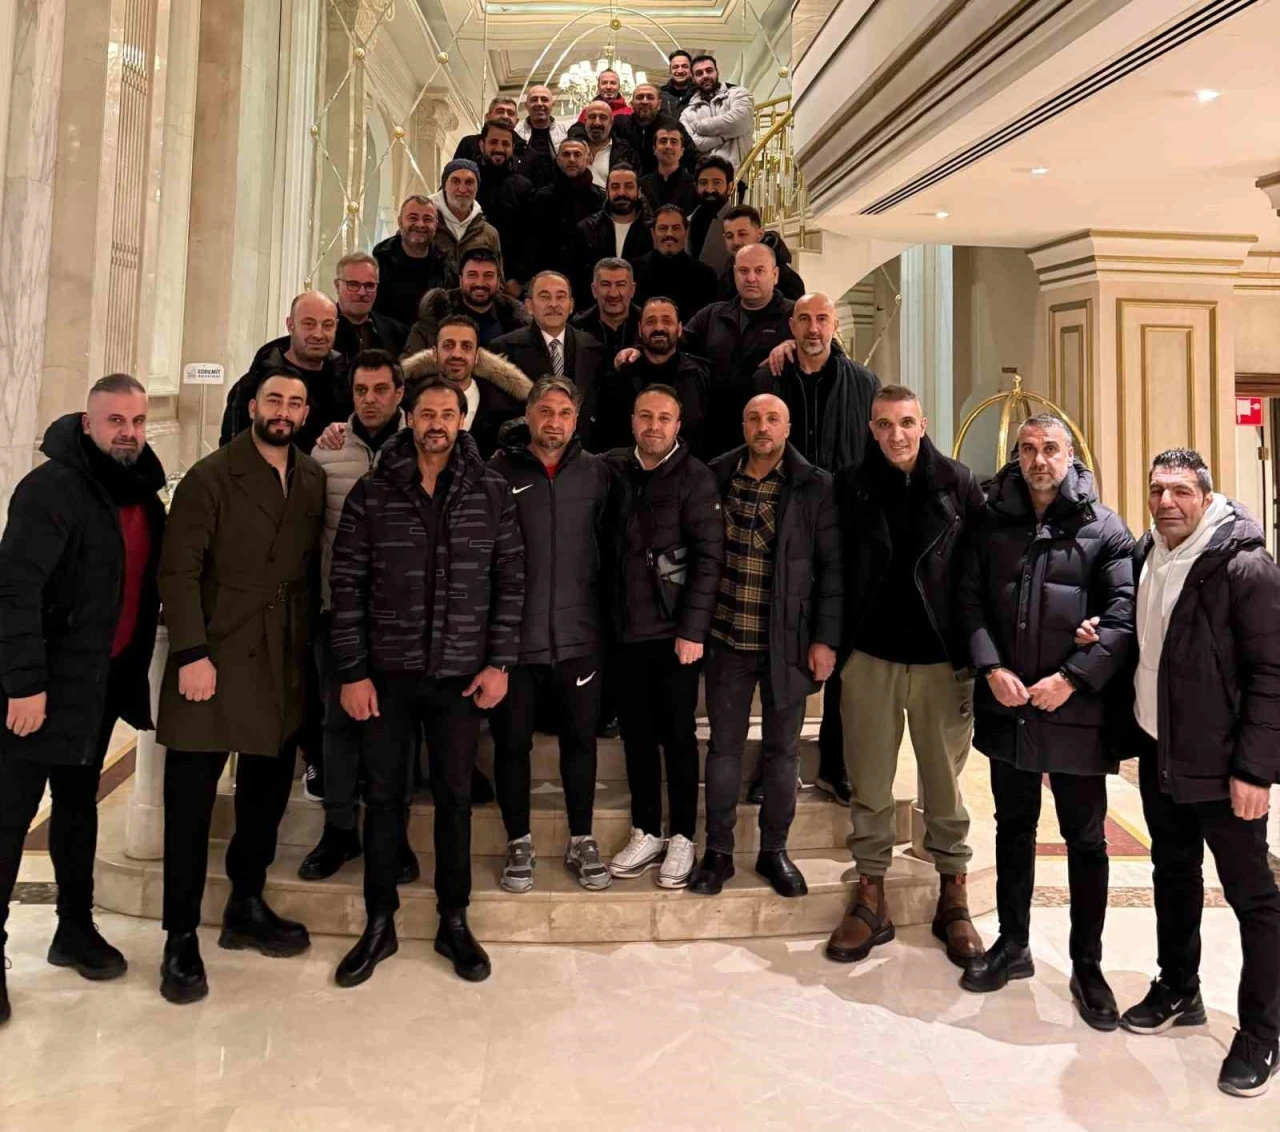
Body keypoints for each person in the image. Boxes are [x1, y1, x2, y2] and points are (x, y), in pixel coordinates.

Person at [1093, 449, 1280, 1097]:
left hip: (1224, 765)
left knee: (1254, 898)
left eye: (1179, 491)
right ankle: (1179, 987)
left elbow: (1271, 674)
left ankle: (1263, 1032)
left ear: (1206, 495)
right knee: (1173, 874)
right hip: (1161, 750)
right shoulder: (1151, 552)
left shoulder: (1245, 566)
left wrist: (1255, 769)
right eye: (1157, 490)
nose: (1166, 502)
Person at [328, 377, 523, 986]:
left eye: (448, 413)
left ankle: (453, 920)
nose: (437, 423)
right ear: (409, 418)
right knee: (384, 798)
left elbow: (510, 581)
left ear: (462, 420)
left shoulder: (490, 491)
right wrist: (353, 671)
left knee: (455, 799)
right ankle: (379, 921)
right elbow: (346, 584)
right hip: (386, 675)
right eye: (426, 413)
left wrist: (499, 663)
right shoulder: (373, 490)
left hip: (460, 676)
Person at [956, 414, 1135, 1030]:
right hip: (1008, 706)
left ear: (1070, 455)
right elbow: (969, 602)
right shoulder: (989, 521)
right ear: (1017, 455)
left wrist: (1073, 678)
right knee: (1012, 828)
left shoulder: (1104, 527)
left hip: (1075, 710)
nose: (1039, 460)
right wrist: (990, 667)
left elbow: (1123, 615)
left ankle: (1088, 966)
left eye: (1050, 448)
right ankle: (1013, 945)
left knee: (1086, 839)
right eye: (1028, 449)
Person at [156, 371, 326, 1006]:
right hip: (217, 653)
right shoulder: (211, 477)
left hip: (280, 657)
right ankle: (179, 937)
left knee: (265, 796)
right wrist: (191, 653)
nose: (283, 411)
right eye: (274, 400)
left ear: (305, 414)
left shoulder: (310, 477)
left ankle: (245, 905)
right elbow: (178, 570)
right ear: (253, 406)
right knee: (190, 805)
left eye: (295, 403)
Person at [0, 375, 165, 1026]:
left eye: (137, 420)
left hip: (98, 686)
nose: (128, 432)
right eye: (115, 420)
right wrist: (24, 684)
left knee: (76, 809)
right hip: (39, 689)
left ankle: (74, 929)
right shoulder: (50, 489)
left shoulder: (142, 492)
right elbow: (14, 592)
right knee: (10, 819)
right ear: (89, 423)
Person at [823, 385, 985, 967]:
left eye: (907, 423)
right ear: (872, 428)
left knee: (943, 784)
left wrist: (980, 649)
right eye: (885, 424)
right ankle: (870, 893)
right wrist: (833, 643)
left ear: (923, 424)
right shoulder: (849, 485)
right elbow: (832, 569)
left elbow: (978, 570)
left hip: (941, 659)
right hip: (870, 657)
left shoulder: (958, 484)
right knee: (869, 782)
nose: (897, 434)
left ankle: (953, 894)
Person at [689, 394, 841, 899]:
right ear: (742, 425)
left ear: (787, 427)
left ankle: (774, 851)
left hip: (788, 644)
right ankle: (718, 853)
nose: (763, 426)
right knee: (723, 750)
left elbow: (831, 571)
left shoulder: (814, 485)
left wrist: (825, 639)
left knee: (782, 753)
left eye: (773, 418)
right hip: (726, 637)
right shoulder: (716, 475)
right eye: (754, 418)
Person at [488, 378, 613, 892]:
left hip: (579, 639)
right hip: (515, 641)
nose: (554, 421)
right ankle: (518, 840)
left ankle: (582, 838)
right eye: (545, 411)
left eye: (564, 412)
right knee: (511, 744)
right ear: (529, 413)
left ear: (576, 418)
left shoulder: (597, 473)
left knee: (580, 743)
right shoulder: (498, 472)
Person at [296, 350, 415, 883]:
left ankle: (395, 836)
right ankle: (339, 830)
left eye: (381, 389)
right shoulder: (327, 452)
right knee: (338, 725)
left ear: (399, 393)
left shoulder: (425, 444)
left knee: (398, 732)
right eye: (362, 390)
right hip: (337, 613)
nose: (370, 400)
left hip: (404, 618)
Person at [755, 291, 878, 801]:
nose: (813, 328)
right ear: (791, 324)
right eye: (804, 318)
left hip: (843, 529)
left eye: (822, 318)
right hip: (779, 528)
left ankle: (834, 763)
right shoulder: (769, 377)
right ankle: (773, 768)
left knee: (841, 652)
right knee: (781, 651)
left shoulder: (864, 384)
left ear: (834, 326)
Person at [603, 385, 724, 889]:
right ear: (633, 421)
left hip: (675, 635)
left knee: (677, 737)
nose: (654, 426)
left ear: (678, 425)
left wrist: (693, 629)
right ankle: (647, 830)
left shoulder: (696, 478)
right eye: (646, 416)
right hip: (623, 632)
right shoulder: (612, 469)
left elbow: (709, 560)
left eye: (664, 418)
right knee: (635, 737)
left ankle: (683, 837)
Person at [682, 243, 793, 460]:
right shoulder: (712, 315)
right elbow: (672, 344)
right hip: (716, 438)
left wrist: (795, 344)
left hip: (769, 438)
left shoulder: (795, 314)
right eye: (743, 271)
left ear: (775, 275)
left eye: (759, 271)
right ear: (734, 274)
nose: (750, 278)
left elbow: (830, 350)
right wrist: (638, 350)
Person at [219, 291, 350, 453]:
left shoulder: (347, 380)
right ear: (290, 325)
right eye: (309, 324)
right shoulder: (255, 384)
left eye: (327, 325)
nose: (318, 334)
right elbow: (232, 452)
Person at [490, 271, 605, 449]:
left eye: (561, 297)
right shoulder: (503, 348)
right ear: (529, 306)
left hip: (582, 453)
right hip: (526, 453)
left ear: (571, 305)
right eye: (545, 297)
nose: (553, 304)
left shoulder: (593, 346)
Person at [403, 314, 532, 460]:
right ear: (434, 354)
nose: (457, 354)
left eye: (466, 347)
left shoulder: (504, 410)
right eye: (448, 346)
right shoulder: (408, 401)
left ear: (476, 356)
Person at [601, 296, 710, 456]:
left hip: (686, 467)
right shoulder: (619, 376)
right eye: (651, 322)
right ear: (640, 329)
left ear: (680, 329)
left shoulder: (701, 375)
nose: (659, 327)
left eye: (667, 321)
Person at [403, 247, 529, 355]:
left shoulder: (517, 323)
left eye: (488, 276)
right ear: (460, 280)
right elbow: (410, 367)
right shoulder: (432, 320)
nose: (480, 283)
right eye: (472, 275)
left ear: (498, 281)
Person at [530, 138, 605, 294]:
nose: (571, 159)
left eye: (577, 154)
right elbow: (531, 241)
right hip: (549, 278)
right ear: (558, 160)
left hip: (589, 282)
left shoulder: (600, 199)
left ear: (588, 158)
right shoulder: (541, 198)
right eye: (566, 154)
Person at [371, 196, 457, 328]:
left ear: (436, 225)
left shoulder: (445, 265)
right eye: (413, 218)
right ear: (400, 222)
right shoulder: (379, 263)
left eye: (427, 219)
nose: (420, 224)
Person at [572, 164, 653, 301]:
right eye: (615, 187)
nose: (621, 193)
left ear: (639, 191)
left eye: (628, 187)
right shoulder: (586, 229)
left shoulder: (653, 230)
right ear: (607, 192)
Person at [475, 121, 536, 296]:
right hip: (470, 276)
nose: (499, 149)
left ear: (512, 148)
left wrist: (518, 279)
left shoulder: (523, 187)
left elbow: (531, 237)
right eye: (493, 142)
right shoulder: (468, 182)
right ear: (482, 145)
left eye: (505, 144)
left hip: (510, 282)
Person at [631, 205, 719, 322]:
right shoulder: (633, 272)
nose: (669, 234)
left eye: (676, 228)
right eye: (663, 228)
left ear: (686, 232)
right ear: (653, 233)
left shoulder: (705, 275)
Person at [680, 54, 755, 169]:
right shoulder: (687, 113)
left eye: (709, 70)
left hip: (738, 173)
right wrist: (722, 137)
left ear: (717, 71)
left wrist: (701, 127)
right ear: (693, 79)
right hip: (705, 175)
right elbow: (692, 144)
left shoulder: (738, 94)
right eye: (699, 73)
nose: (705, 76)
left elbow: (740, 123)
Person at [430, 158, 503, 276]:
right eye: (455, 181)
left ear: (477, 188)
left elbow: (497, 279)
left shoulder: (488, 234)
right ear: (444, 185)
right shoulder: (425, 224)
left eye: (469, 182)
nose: (462, 189)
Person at [717, 206, 806, 301]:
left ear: (760, 234)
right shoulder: (726, 274)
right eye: (729, 236)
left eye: (742, 234)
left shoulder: (786, 279)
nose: (735, 242)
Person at [332, 252, 408, 362]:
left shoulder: (399, 334)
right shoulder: (322, 332)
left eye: (370, 285)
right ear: (337, 286)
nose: (362, 292)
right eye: (353, 284)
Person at [570, 257, 641, 362]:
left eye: (620, 285)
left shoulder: (648, 323)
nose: (613, 294)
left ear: (632, 290)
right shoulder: (576, 328)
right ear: (594, 290)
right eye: (605, 285)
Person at [618, 86, 695, 177]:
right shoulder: (621, 125)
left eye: (650, 97)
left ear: (659, 105)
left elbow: (692, 156)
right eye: (640, 97)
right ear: (631, 104)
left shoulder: (673, 126)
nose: (645, 101)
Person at [575, 100, 641, 189]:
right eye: (592, 117)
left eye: (603, 117)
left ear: (611, 122)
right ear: (585, 120)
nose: (597, 122)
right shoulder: (572, 150)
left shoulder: (626, 153)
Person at [638, 119, 699, 214]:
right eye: (663, 141)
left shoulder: (694, 187)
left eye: (674, 142)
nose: (668, 146)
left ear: (682, 151)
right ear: (654, 149)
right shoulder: (641, 186)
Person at [688, 155, 735, 274]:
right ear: (696, 186)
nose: (709, 189)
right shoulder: (686, 222)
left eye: (716, 182)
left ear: (730, 187)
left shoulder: (739, 226)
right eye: (703, 183)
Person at [514, 84, 567, 187]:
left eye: (544, 99)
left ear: (552, 104)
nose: (539, 103)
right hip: (525, 190)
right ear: (526, 105)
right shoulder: (516, 132)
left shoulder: (565, 132)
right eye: (534, 99)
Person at [452, 96, 526, 165]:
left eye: (510, 113)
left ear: (517, 121)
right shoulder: (469, 143)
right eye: (500, 111)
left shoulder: (525, 151)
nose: (505, 116)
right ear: (488, 117)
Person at [659, 50, 696, 117]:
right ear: (670, 70)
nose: (680, 71)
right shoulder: (660, 96)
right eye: (675, 67)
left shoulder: (699, 94)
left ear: (691, 70)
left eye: (684, 66)